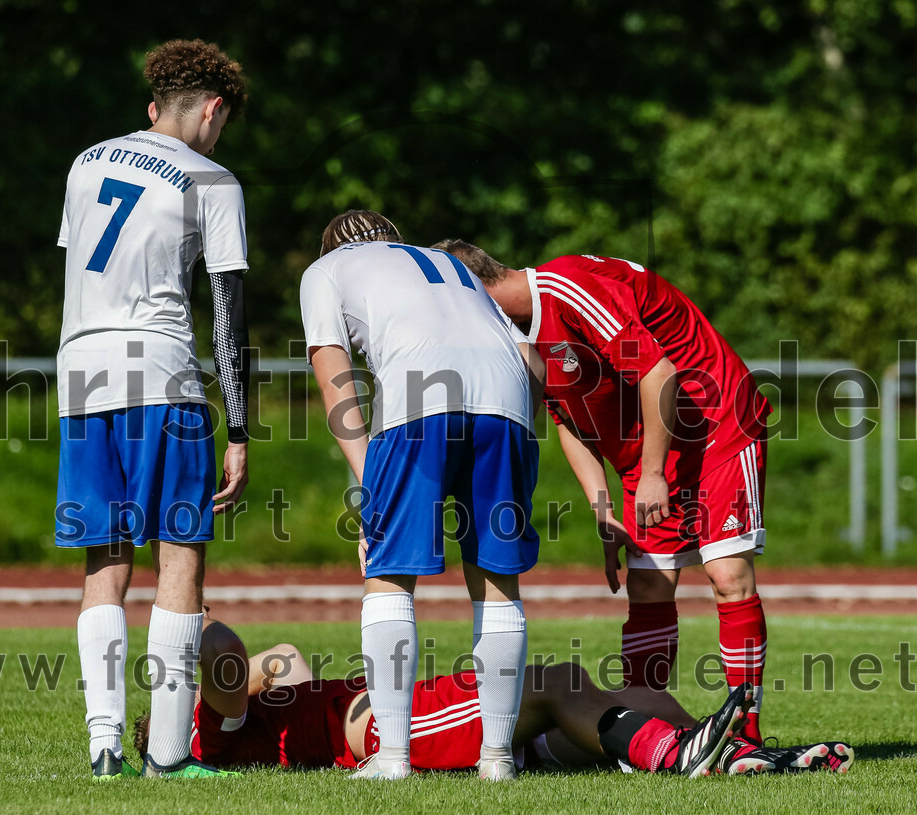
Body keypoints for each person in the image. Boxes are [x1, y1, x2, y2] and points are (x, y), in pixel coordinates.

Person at [434, 241, 773, 744]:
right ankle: (656, 730)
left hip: (717, 424)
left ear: (470, 287)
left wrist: (653, 473)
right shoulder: (516, 332)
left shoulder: (566, 288)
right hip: (650, 450)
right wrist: (603, 505)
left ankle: (745, 732)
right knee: (650, 586)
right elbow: (567, 418)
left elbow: (660, 373)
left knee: (727, 575)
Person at [55, 39, 251, 779]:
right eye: (222, 122)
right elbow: (228, 318)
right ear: (212, 109)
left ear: (150, 108)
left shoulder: (85, 162)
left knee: (103, 557)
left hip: (81, 373)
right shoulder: (214, 179)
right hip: (161, 374)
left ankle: (105, 743)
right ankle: (168, 756)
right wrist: (238, 428)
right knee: (180, 553)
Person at [298, 211, 545, 780]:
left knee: (388, 576)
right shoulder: (449, 264)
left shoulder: (324, 271)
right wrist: (518, 435)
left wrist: (368, 480)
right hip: (505, 403)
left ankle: (392, 758)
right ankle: (498, 758)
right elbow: (531, 361)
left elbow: (332, 370)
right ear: (391, 237)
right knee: (495, 580)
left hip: (419, 400)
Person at [133, 615, 855, 776]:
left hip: (408, 705)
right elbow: (226, 650)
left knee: (631, 692)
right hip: (396, 728)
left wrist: (266, 670)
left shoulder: (250, 712)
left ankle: (740, 758)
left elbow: (282, 657)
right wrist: (184, 618)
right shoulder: (206, 731)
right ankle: (676, 757)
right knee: (549, 682)